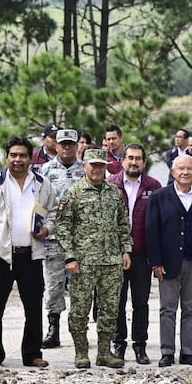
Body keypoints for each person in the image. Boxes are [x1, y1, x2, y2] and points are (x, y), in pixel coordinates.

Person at [0, 137, 56, 370]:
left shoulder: (41, 183)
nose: (18, 160)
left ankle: (32, 354)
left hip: (31, 254)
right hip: (0, 255)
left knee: (34, 307)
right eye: (13, 155)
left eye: (22, 155)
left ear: (31, 158)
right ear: (7, 157)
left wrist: (47, 229)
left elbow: (52, 213)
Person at [54, 148, 132, 369]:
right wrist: (69, 257)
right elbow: (63, 228)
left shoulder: (114, 192)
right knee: (80, 309)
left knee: (110, 309)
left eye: (101, 165)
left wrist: (125, 250)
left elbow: (122, 225)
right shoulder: (74, 193)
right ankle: (81, 352)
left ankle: (105, 353)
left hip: (111, 262)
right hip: (83, 263)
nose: (97, 169)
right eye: (92, 165)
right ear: (84, 166)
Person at [146, 155, 192, 367]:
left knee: (191, 308)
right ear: (172, 172)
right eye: (181, 169)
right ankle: (167, 351)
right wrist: (155, 262)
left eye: (189, 169)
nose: (185, 172)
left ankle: (187, 351)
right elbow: (151, 231)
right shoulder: (159, 196)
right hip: (168, 263)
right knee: (167, 309)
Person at [108, 143, 161, 365]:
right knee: (117, 302)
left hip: (141, 254)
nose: (134, 162)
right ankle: (118, 344)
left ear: (143, 162)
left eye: (138, 158)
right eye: (130, 158)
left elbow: (159, 223)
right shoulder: (110, 185)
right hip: (116, 255)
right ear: (123, 161)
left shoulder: (153, 186)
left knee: (141, 303)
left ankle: (140, 345)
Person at [39, 128, 85, 349]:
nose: (66, 148)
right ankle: (53, 329)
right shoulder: (45, 171)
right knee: (54, 284)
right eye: (62, 144)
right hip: (54, 238)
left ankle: (79, 330)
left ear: (77, 146)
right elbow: (38, 204)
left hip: (81, 239)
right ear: (55, 146)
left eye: (70, 144)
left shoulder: (86, 170)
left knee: (81, 286)